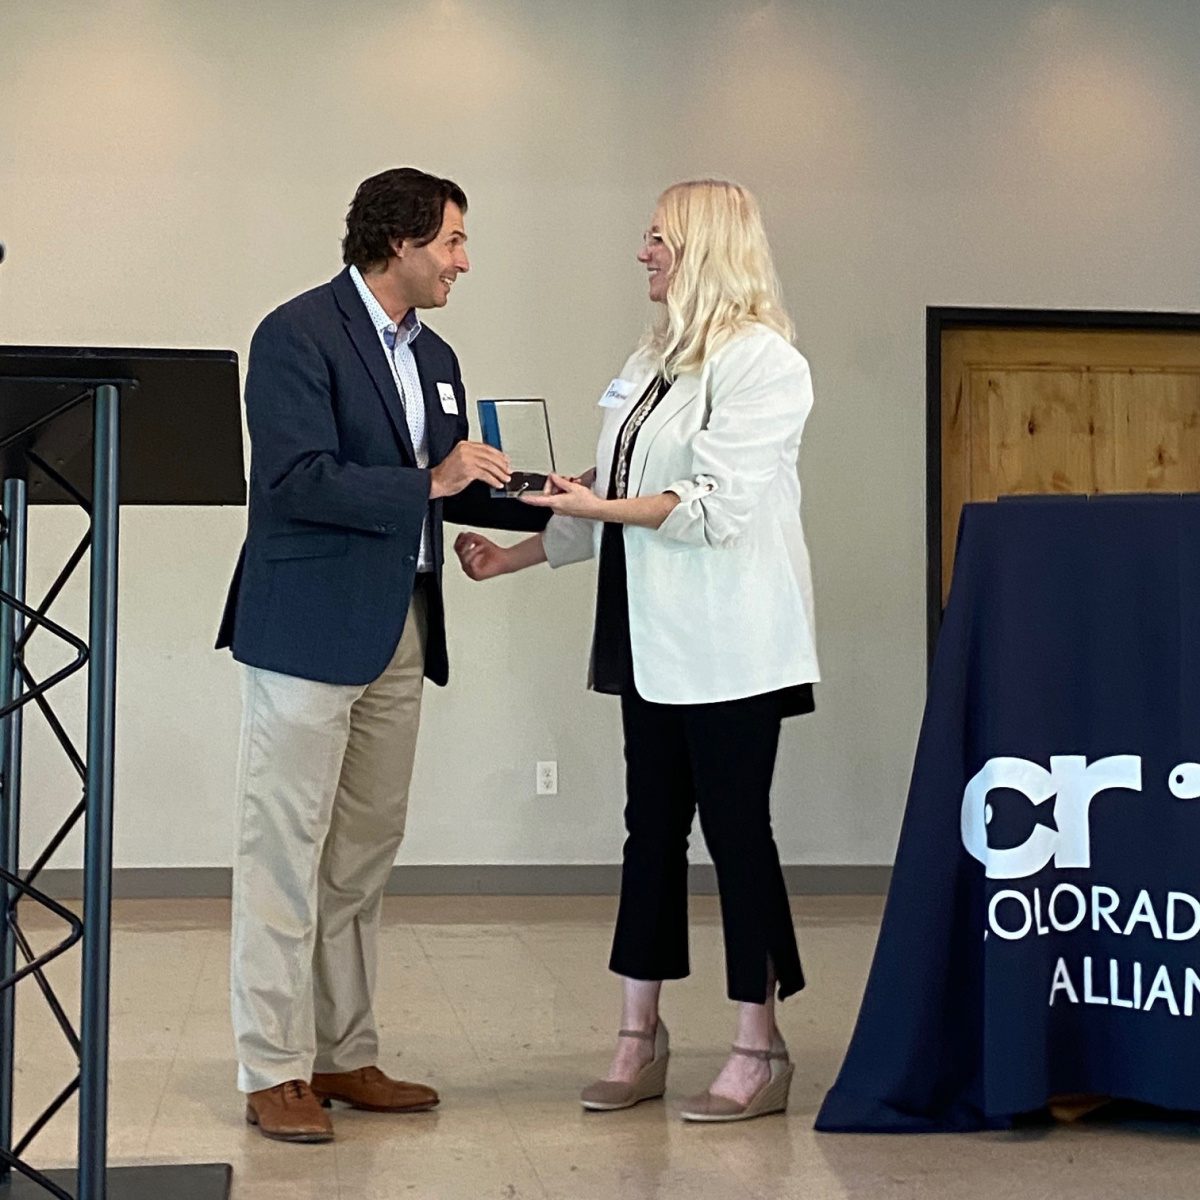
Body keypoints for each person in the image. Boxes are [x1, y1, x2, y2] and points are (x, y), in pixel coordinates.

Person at [454, 179, 818, 1123]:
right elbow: (607, 494)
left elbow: (712, 506)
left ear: (705, 249)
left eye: (659, 238)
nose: (644, 253)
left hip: (733, 644)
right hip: (644, 635)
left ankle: (759, 1046)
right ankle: (637, 1036)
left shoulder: (765, 363)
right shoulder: (649, 360)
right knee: (648, 832)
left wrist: (596, 503)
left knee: (738, 834)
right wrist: (513, 556)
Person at [216, 167, 546, 1143]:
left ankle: (343, 1053)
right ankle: (273, 1069)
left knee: (362, 855)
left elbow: (450, 480)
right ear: (399, 242)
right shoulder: (296, 334)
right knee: (282, 854)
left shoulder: (435, 355)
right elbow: (296, 478)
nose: (463, 261)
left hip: (401, 627)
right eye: (453, 241)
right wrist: (431, 480)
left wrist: (541, 493)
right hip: (307, 627)